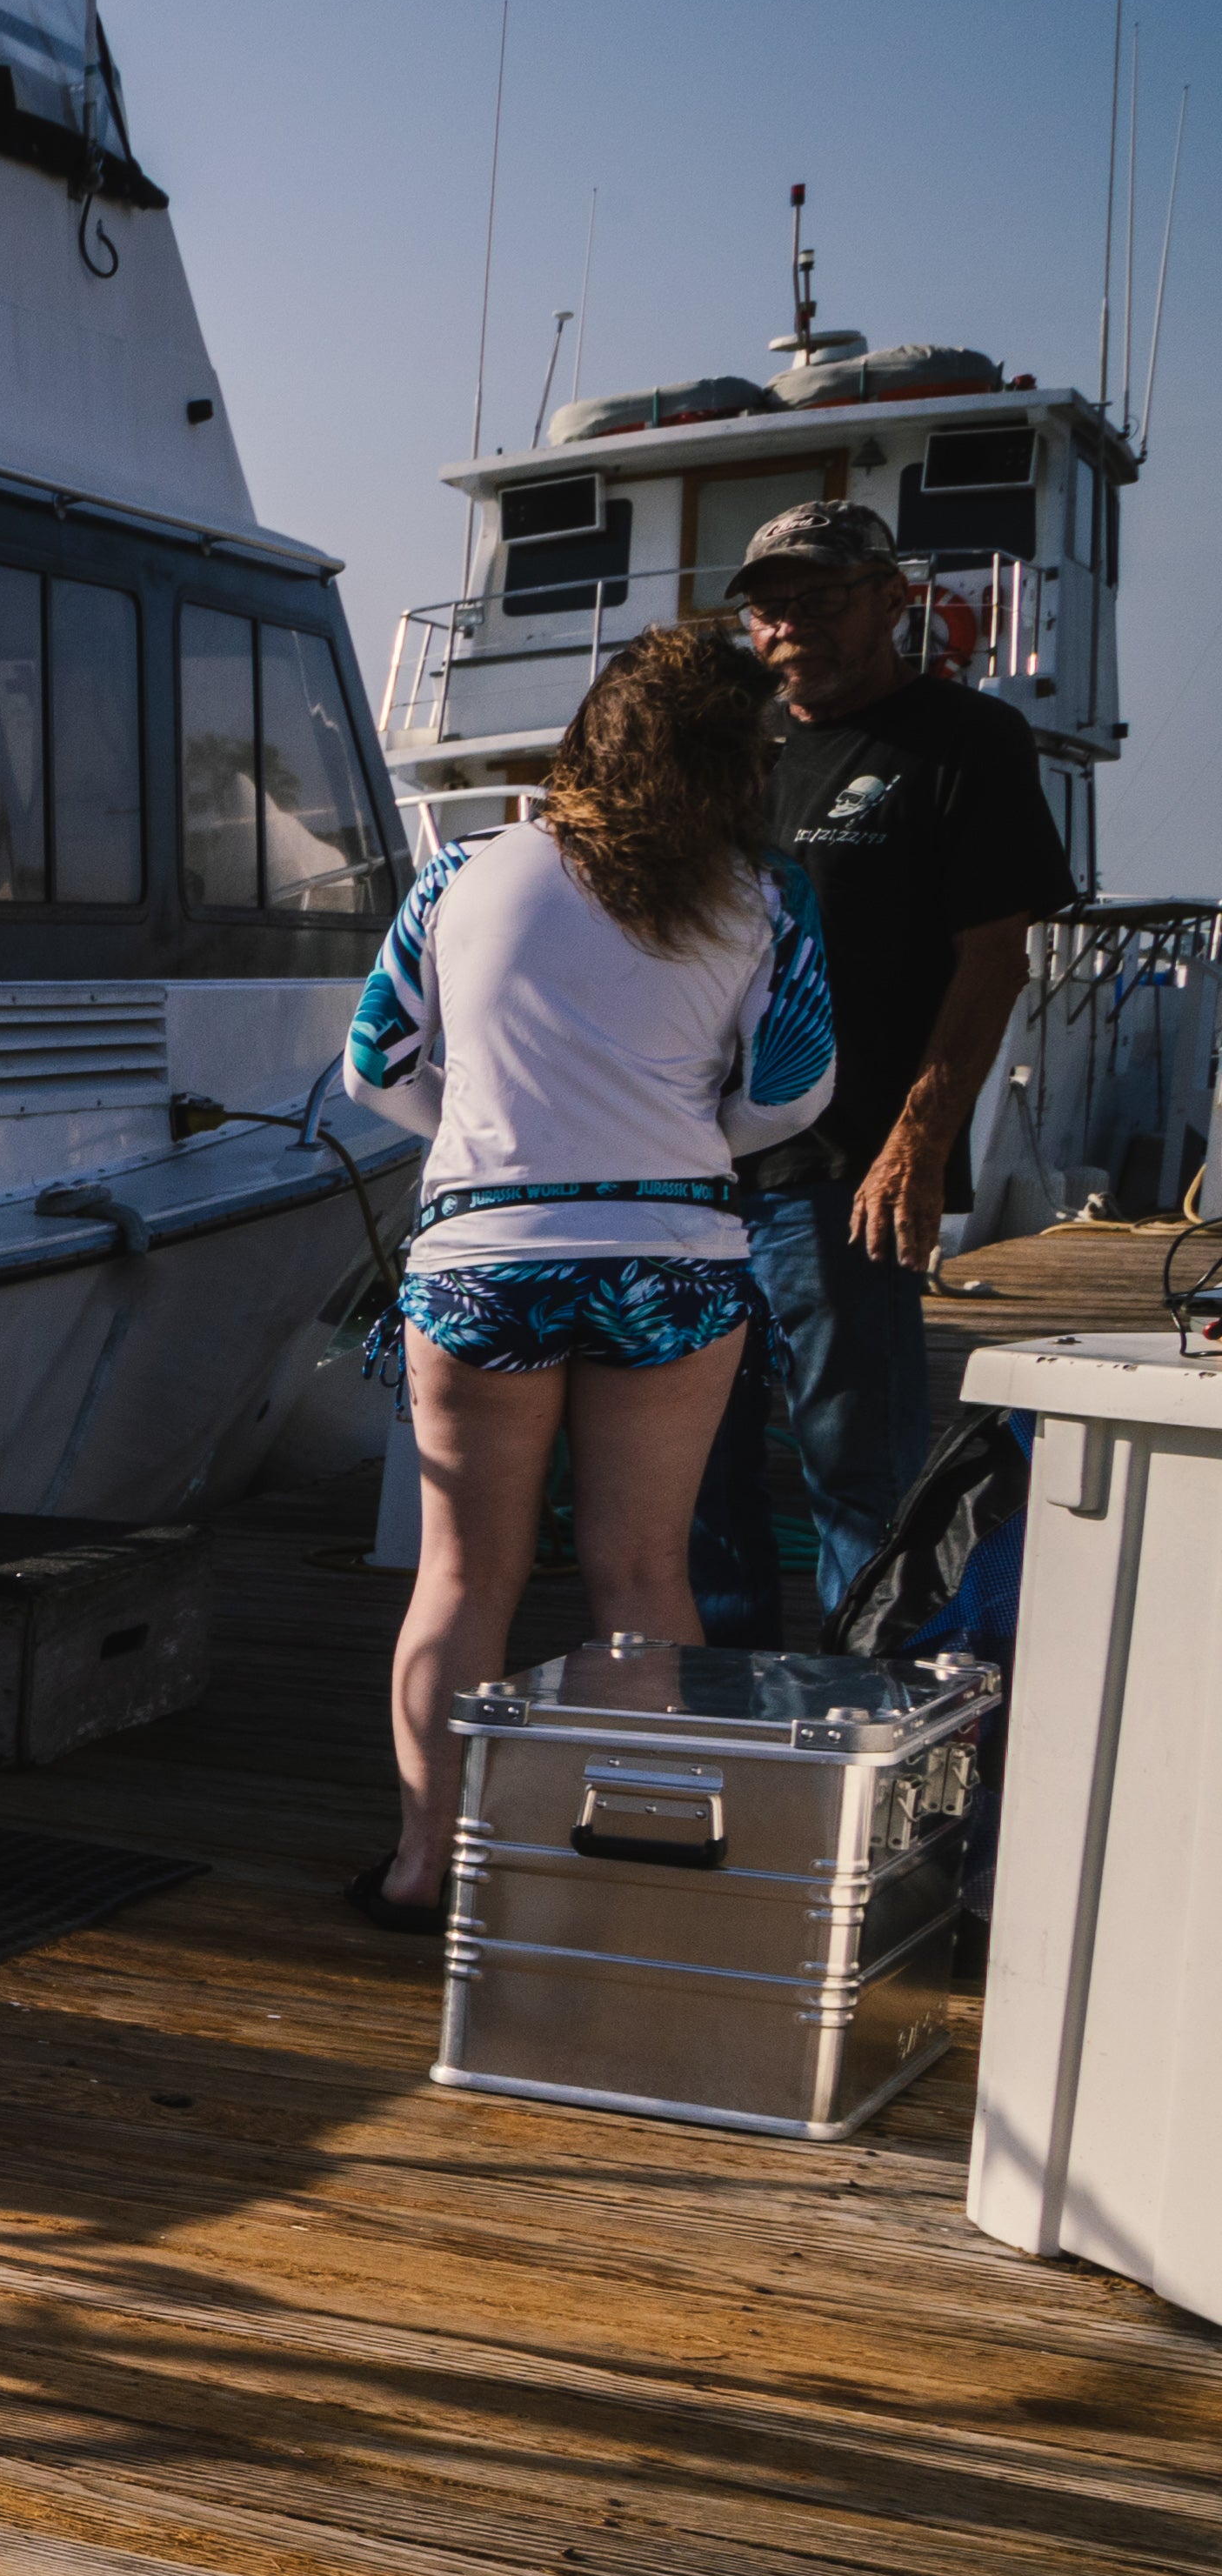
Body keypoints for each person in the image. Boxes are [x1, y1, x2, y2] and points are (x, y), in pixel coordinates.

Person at [346, 619, 840, 1926]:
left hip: (485, 1254)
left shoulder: (460, 874)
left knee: (462, 1579)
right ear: (738, 763)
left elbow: (374, 1069)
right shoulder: (762, 899)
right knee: (640, 1577)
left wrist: (491, 1149)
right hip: (673, 1260)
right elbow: (791, 1096)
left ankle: (422, 1870)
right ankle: (625, 1865)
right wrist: (671, 1153)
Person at [680, 497, 1078, 1641]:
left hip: (847, 1175)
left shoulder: (966, 741)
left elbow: (993, 955)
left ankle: (877, 1724)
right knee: (697, 1483)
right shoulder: (735, 756)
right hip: (699, 1174)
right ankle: (730, 1716)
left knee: (861, 1478)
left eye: (820, 598)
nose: (788, 623)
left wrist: (919, 1142)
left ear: (894, 600)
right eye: (769, 606)